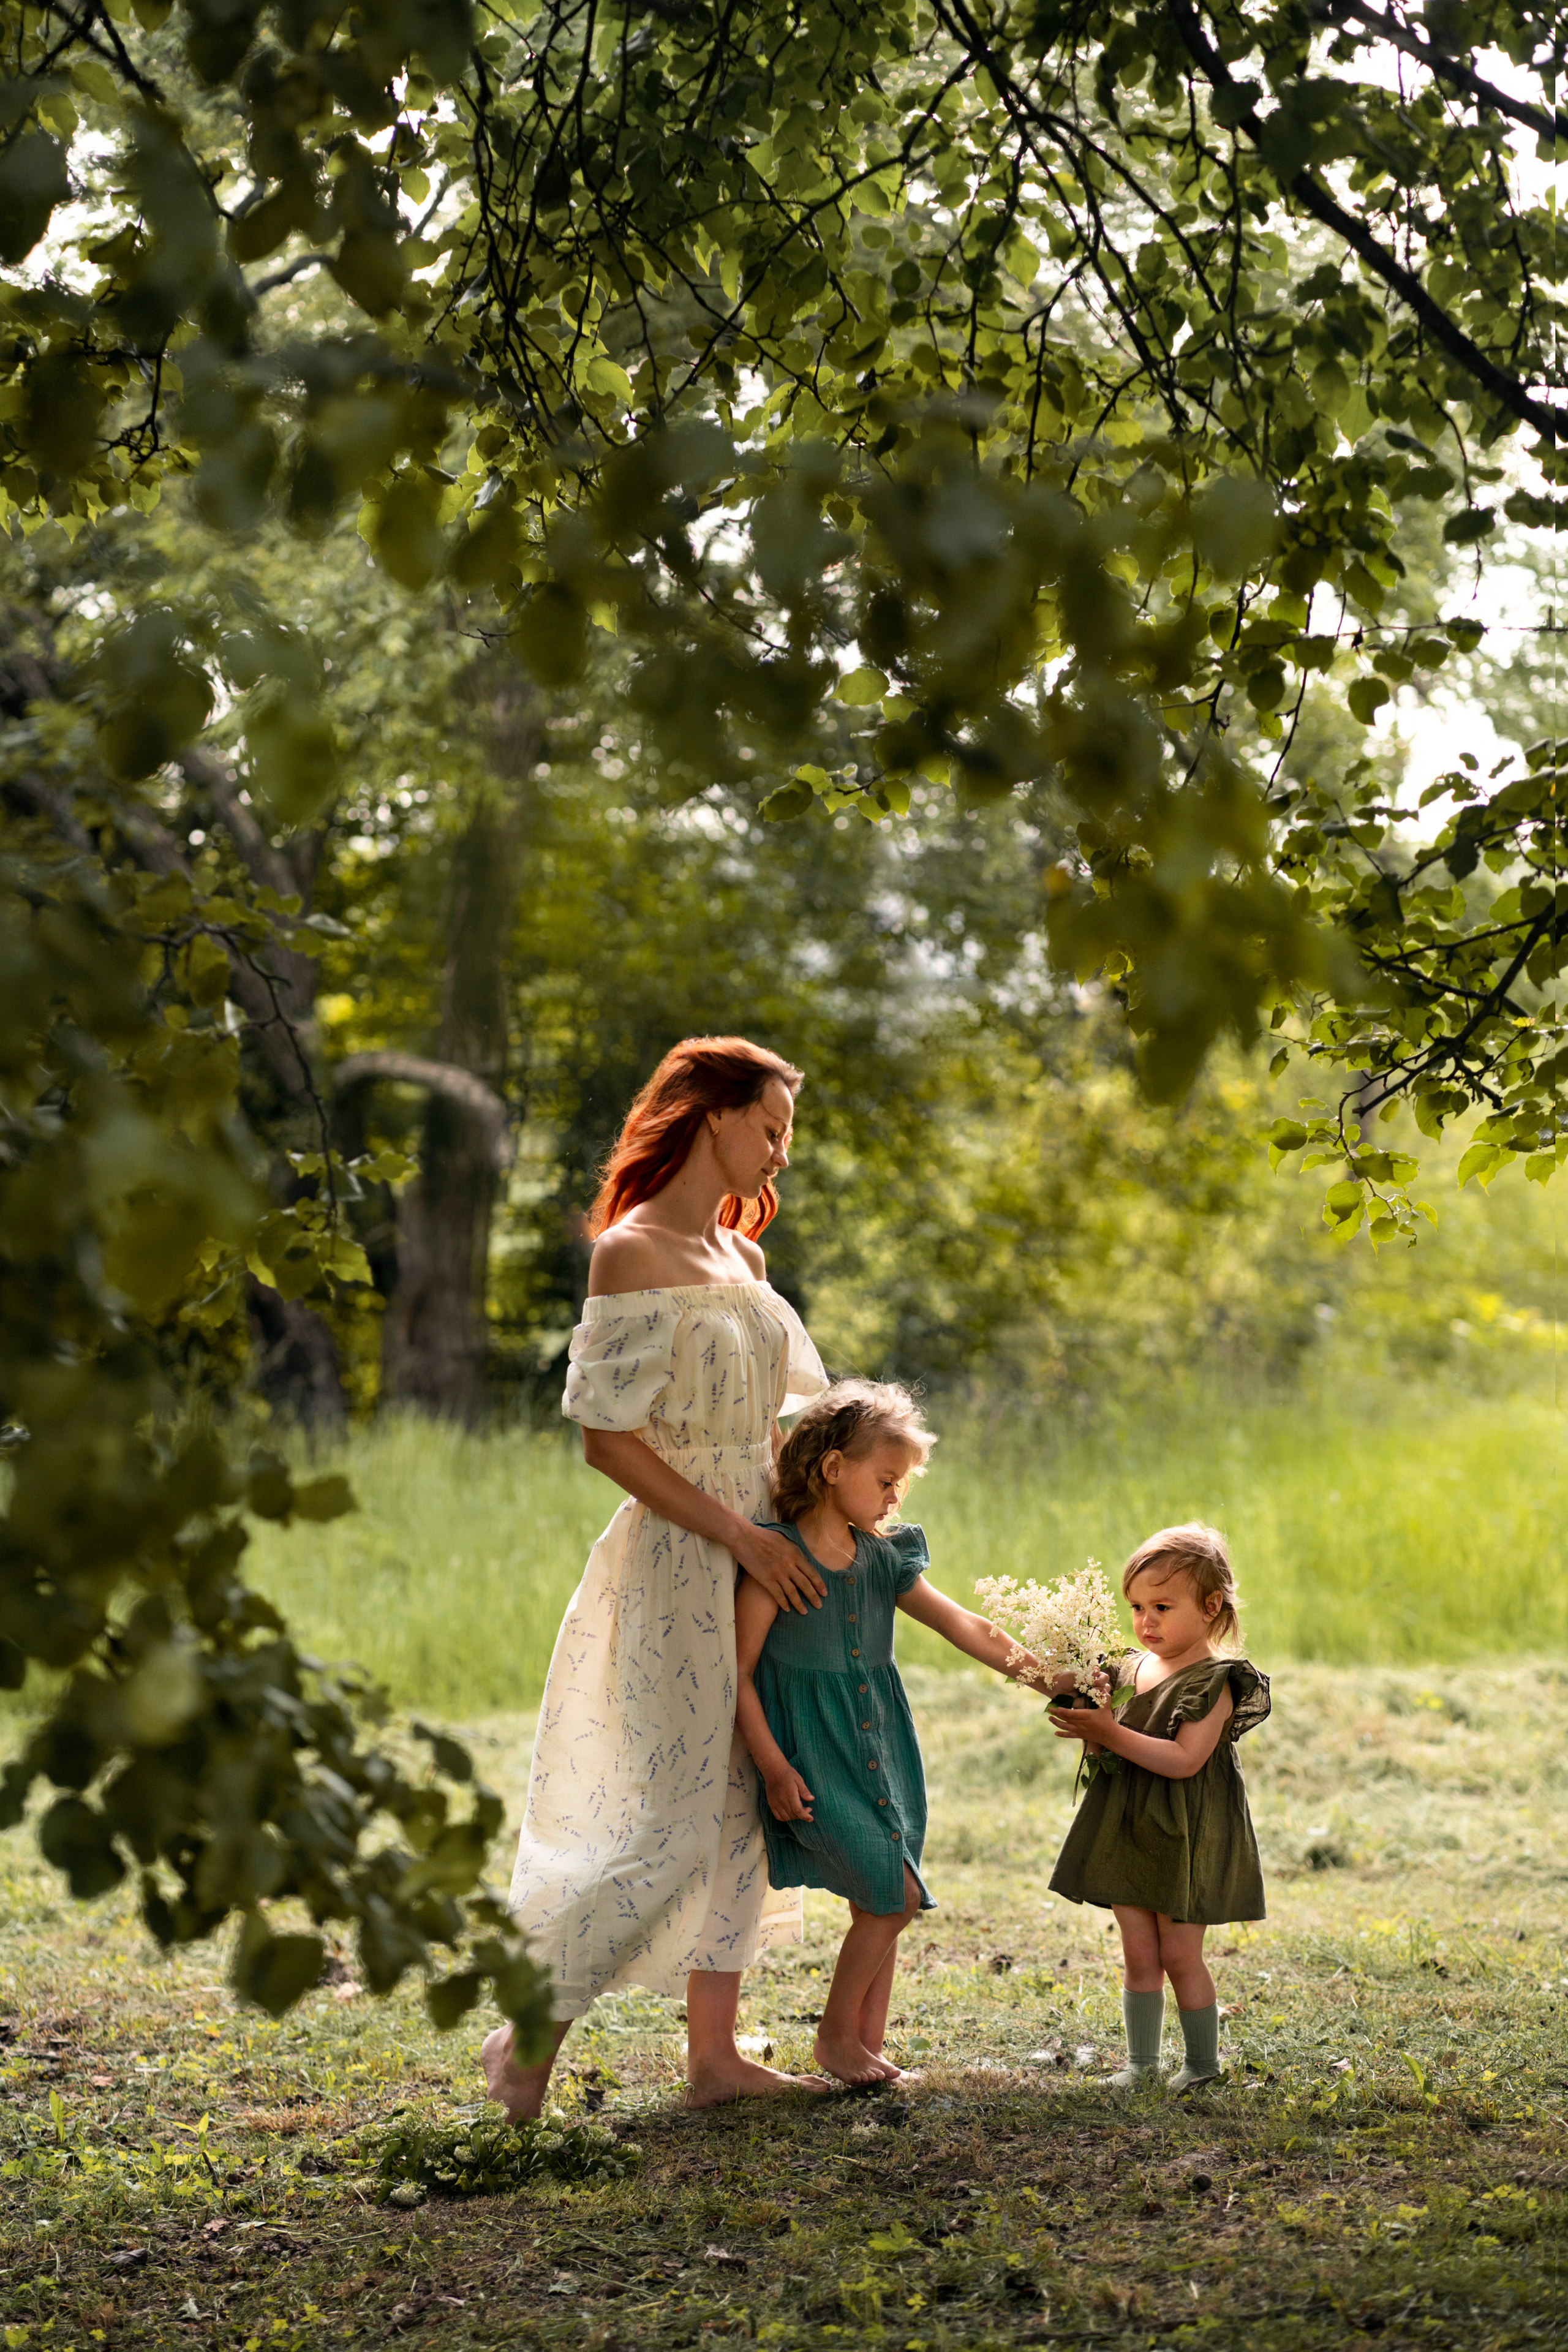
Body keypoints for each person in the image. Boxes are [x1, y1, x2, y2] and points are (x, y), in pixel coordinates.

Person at [481, 1036, 837, 2117]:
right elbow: (607, 1441)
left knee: (743, 1812)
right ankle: (525, 2035)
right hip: (683, 1557)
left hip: (766, 1560)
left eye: (788, 1135)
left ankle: (716, 2059)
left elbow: (777, 1426)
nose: (780, 1155)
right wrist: (741, 1533)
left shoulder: (749, 1264)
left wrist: (822, 1523)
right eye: (770, 1128)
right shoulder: (628, 1253)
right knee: (671, 1821)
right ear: (709, 1114)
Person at [735, 1379, 1052, 2087]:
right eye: (885, 1480)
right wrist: (772, 1764)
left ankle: (863, 2047)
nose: (893, 1499)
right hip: (812, 1754)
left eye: (901, 1485)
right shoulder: (776, 1562)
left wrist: (1050, 1676)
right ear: (831, 1468)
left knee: (880, 1894)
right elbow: (739, 1673)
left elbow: (965, 1625)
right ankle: (835, 2039)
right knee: (896, 1894)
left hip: (881, 1747)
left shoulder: (884, 1558)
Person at [1046, 1521, 1271, 2092]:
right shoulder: (1130, 1668)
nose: (1146, 1622)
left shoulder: (1217, 1680)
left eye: (1163, 1607)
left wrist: (1111, 1734)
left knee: (1178, 1952)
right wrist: (1090, 1729)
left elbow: (1183, 1760)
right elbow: (1115, 1742)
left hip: (1186, 1831)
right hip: (1128, 1823)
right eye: (1137, 1607)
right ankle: (1142, 2065)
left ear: (1211, 1605)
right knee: (1139, 1951)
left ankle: (1201, 2065)